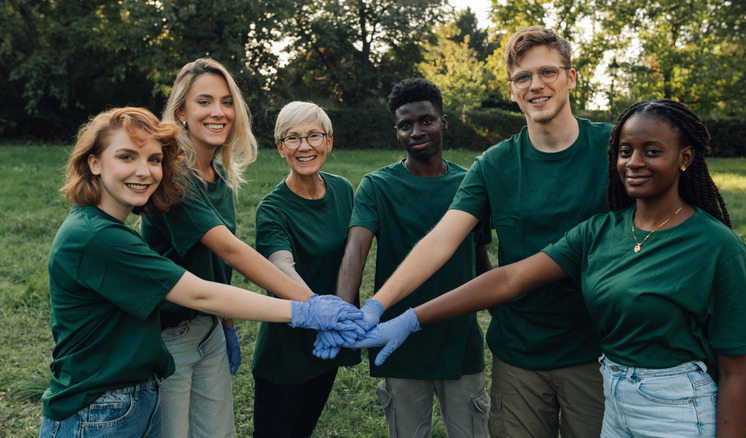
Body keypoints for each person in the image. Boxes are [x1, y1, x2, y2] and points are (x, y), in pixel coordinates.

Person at [355, 99, 746, 438]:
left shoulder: (717, 245)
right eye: (625, 151)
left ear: (685, 158)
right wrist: (408, 317)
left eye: (652, 151)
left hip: (677, 407)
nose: (634, 162)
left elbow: (736, 370)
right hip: (616, 402)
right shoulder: (600, 231)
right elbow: (509, 277)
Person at [339, 26, 612, 437]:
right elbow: (441, 241)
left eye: (548, 73)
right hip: (519, 353)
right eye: (523, 77)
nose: (535, 85)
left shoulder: (614, 150)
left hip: (596, 350)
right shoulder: (494, 165)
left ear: (571, 77)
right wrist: (378, 305)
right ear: (512, 88)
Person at [39, 107, 363, 437]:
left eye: (154, 160)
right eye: (126, 157)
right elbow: (201, 292)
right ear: (93, 162)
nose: (145, 171)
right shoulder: (98, 238)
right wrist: (305, 310)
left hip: (127, 398)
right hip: (97, 411)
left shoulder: (106, 229)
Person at [140, 58, 317, 437]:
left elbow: (214, 265)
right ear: (182, 112)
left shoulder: (216, 173)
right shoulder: (175, 178)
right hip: (170, 336)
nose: (218, 112)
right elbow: (231, 250)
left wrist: (228, 323)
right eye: (204, 102)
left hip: (210, 325)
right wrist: (311, 306)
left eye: (226, 101)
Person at [317, 78, 493, 437]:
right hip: (395, 343)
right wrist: (341, 312)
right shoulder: (377, 186)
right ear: (396, 131)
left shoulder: (471, 184)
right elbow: (356, 252)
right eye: (405, 125)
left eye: (426, 120)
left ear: (443, 122)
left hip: (459, 342)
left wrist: (501, 316)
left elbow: (479, 259)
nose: (416, 131)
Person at [251, 101, 362, 437]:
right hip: (286, 353)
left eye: (314, 135)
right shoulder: (272, 209)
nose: (305, 147)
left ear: (328, 141)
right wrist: (319, 310)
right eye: (292, 138)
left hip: (329, 344)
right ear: (280, 148)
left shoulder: (343, 189)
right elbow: (281, 265)